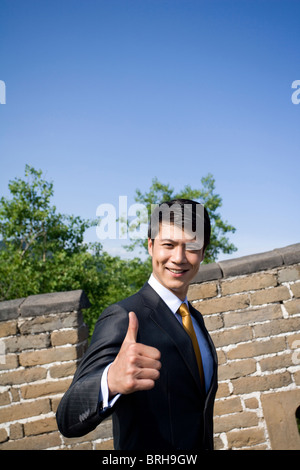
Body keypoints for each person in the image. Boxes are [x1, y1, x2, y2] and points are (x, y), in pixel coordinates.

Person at [56, 199, 218, 451]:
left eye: (191, 247)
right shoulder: (123, 316)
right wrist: (110, 381)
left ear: (204, 252)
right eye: (169, 245)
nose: (179, 258)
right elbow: (67, 417)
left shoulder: (195, 319)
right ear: (151, 246)